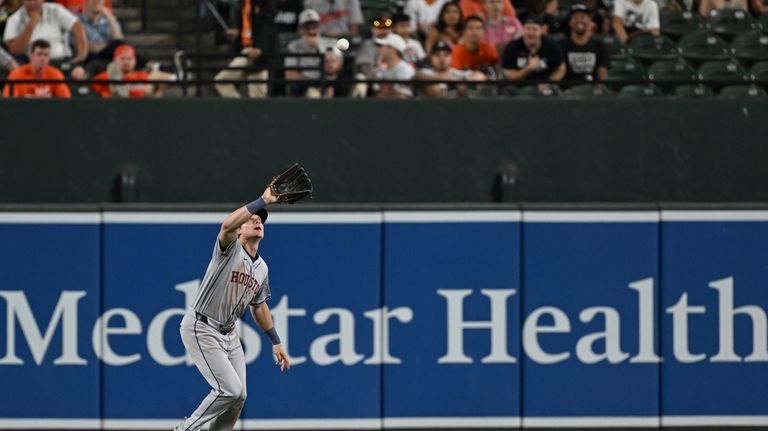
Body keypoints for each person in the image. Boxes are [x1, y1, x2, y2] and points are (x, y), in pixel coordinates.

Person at [173, 189, 290, 431]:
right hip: (202, 326)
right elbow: (227, 224)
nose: (257, 220)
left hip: (229, 334)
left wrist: (275, 341)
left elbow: (259, 306)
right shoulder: (228, 249)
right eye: (251, 219)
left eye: (261, 219)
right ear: (239, 230)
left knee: (239, 397)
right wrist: (263, 200)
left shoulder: (262, 268)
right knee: (230, 390)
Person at [3, 0, 88, 78]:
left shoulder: (55, 9)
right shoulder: (14, 19)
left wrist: (80, 58)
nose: (33, 3)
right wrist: (30, 26)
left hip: (62, 62)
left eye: (36, 0)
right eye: (29, 0)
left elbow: (78, 28)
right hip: (34, 66)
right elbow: (14, 49)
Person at [284, 8, 335, 96]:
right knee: (312, 93)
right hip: (304, 87)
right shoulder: (294, 46)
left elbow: (337, 68)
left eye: (314, 26)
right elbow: (290, 75)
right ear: (300, 29)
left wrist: (318, 47)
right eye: (307, 28)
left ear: (319, 26)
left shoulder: (330, 43)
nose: (311, 31)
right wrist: (314, 84)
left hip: (327, 84)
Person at [90, 44, 173, 98]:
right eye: (122, 58)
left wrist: (159, 91)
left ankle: (178, 76)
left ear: (135, 61)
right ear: (114, 61)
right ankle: (117, 88)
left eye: (129, 59)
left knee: (155, 81)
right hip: (113, 109)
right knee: (111, 89)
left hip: (141, 108)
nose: (126, 62)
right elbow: (90, 91)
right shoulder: (103, 76)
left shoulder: (143, 76)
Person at [501, 16, 565, 84]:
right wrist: (528, 69)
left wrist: (548, 83)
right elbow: (508, 75)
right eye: (528, 29)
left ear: (542, 30)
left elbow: (561, 69)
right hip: (519, 87)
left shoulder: (551, 45)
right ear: (523, 30)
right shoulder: (512, 47)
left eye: (534, 29)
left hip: (546, 85)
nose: (531, 33)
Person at [416, 40, 486, 97]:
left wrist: (462, 83)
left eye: (446, 55)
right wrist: (450, 80)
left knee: (469, 87)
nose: (442, 58)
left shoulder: (458, 73)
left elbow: (481, 77)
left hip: (457, 109)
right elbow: (418, 76)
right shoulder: (426, 72)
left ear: (451, 57)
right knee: (430, 86)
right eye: (437, 55)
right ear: (431, 58)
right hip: (431, 109)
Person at [3, 38, 70, 97]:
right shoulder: (17, 75)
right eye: (39, 54)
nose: (43, 58)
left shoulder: (56, 75)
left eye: (46, 55)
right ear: (31, 56)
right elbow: (9, 101)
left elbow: (66, 101)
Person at [559, 4, 608, 84]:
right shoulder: (561, 45)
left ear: (589, 21)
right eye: (575, 17)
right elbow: (559, 70)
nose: (579, 20)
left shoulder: (599, 45)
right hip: (568, 91)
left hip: (593, 90)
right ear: (570, 22)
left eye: (582, 16)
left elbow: (602, 70)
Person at [371, 33, 415, 98]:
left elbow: (404, 96)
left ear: (392, 48)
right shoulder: (381, 70)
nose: (378, 49)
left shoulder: (405, 69)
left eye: (381, 46)